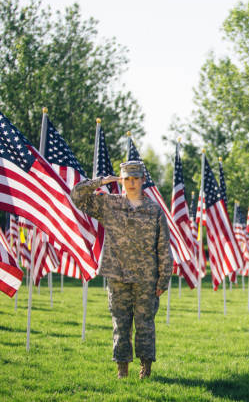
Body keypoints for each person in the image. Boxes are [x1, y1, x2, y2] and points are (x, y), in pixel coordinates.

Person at [71, 160, 173, 379]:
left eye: (135, 178)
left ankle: (145, 368)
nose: (132, 183)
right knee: (120, 323)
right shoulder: (109, 204)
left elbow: (164, 246)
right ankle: (122, 369)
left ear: (143, 180)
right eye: (127, 179)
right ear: (121, 180)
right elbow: (77, 196)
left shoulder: (154, 210)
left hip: (146, 278)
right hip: (117, 274)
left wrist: (163, 280)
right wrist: (101, 181)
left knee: (145, 324)